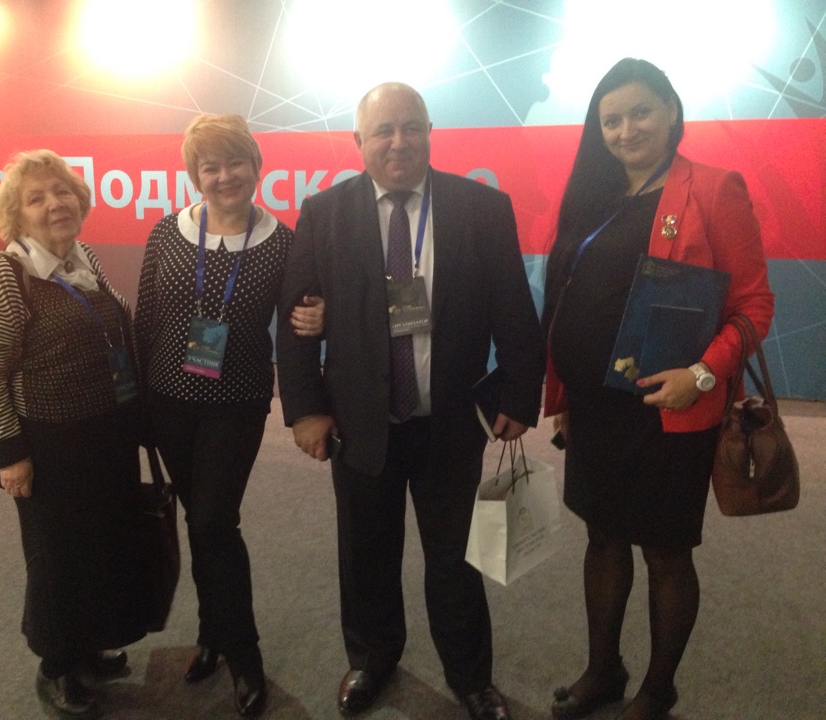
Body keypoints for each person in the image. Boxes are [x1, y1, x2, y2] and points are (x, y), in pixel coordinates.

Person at [276, 82, 546, 720]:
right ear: (359, 142)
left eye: (411, 127)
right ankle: (372, 660)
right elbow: (296, 319)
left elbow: (514, 309)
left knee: (456, 559)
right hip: (359, 420)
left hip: (449, 420)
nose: (399, 142)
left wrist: (519, 393)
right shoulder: (324, 213)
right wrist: (306, 409)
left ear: (429, 132)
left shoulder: (482, 208)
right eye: (384, 131)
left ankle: (470, 677)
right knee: (365, 553)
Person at [541, 59, 774, 720]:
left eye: (640, 112)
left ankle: (658, 688)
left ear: (671, 110)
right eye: (611, 119)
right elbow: (567, 299)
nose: (626, 130)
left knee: (665, 552)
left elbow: (754, 307)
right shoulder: (594, 193)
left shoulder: (714, 189)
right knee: (603, 538)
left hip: (669, 411)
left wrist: (700, 375)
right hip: (595, 409)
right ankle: (603, 670)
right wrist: (563, 400)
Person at [133, 114, 322, 717]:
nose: (224, 176)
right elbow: (145, 320)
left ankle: (244, 653)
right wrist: (137, 407)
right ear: (195, 175)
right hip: (167, 401)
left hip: (235, 404)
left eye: (234, 162)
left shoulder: (283, 242)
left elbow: (302, 324)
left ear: (256, 167)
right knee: (200, 522)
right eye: (209, 167)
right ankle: (212, 632)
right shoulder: (168, 232)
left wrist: (321, 318)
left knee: (216, 521)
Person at [0, 149, 149, 720]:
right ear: (15, 216)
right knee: (56, 559)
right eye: (36, 198)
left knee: (99, 547)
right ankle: (57, 665)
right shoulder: (8, 276)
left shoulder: (80, 258)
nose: (55, 204)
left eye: (62, 191)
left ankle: (87, 646)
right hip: (48, 446)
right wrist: (11, 455)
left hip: (104, 436)